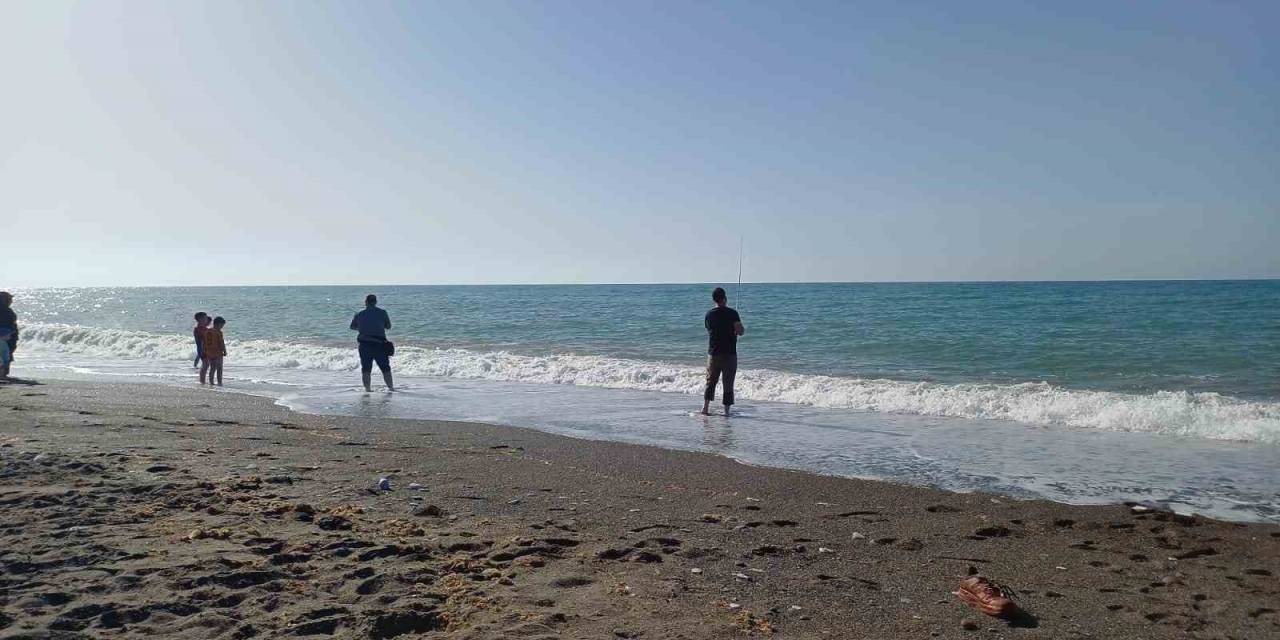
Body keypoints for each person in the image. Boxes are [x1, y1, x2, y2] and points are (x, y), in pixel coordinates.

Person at [701, 287, 745, 416]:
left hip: (713, 353)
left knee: (710, 382)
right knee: (728, 382)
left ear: (714, 299)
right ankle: (726, 411)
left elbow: (709, 329)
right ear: (725, 298)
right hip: (730, 354)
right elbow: (741, 331)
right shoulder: (733, 313)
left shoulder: (709, 314)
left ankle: (705, 408)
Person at [350, 294, 394, 392]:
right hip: (380, 345)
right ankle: (391, 388)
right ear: (375, 302)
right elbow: (388, 326)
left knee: (366, 369)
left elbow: (352, 327)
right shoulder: (383, 312)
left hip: (364, 345)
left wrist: (362, 328)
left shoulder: (359, 314)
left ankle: (368, 390)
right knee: (385, 368)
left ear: (366, 302)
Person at [201, 316, 227, 386]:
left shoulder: (207, 331)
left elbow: (204, 342)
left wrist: (204, 351)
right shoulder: (218, 332)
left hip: (209, 352)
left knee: (212, 368)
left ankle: (211, 382)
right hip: (217, 352)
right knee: (219, 368)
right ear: (218, 324)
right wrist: (224, 350)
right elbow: (221, 342)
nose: (222, 327)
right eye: (222, 325)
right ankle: (219, 382)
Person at [0, 292, 17, 379]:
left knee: (5, 355)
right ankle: (3, 374)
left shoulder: (6, 310)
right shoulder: (7, 311)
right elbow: (12, 323)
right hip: (7, 337)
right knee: (5, 355)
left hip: (8, 336)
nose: (11, 301)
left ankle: (3, 374)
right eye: (10, 299)